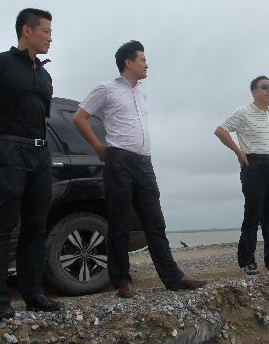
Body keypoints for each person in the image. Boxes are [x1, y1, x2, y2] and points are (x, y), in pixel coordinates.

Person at [73, 40, 207, 298]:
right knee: (120, 222)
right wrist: (99, 147)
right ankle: (122, 281)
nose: (147, 64)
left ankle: (174, 278)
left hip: (144, 163)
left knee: (155, 222)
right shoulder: (107, 88)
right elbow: (79, 117)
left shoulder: (140, 94)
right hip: (119, 160)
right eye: (143, 59)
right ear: (128, 62)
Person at [0, 8, 61, 319]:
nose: (50, 37)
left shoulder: (45, 76)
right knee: (1, 227)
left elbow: (44, 119)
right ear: (27, 30)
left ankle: (34, 295)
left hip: (40, 155)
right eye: (46, 31)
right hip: (10, 151)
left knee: (35, 227)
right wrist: (0, 146)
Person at [214, 76, 269, 276]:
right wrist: (239, 153)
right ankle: (247, 261)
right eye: (265, 87)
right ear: (254, 91)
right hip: (254, 165)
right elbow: (220, 131)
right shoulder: (243, 112)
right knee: (253, 214)